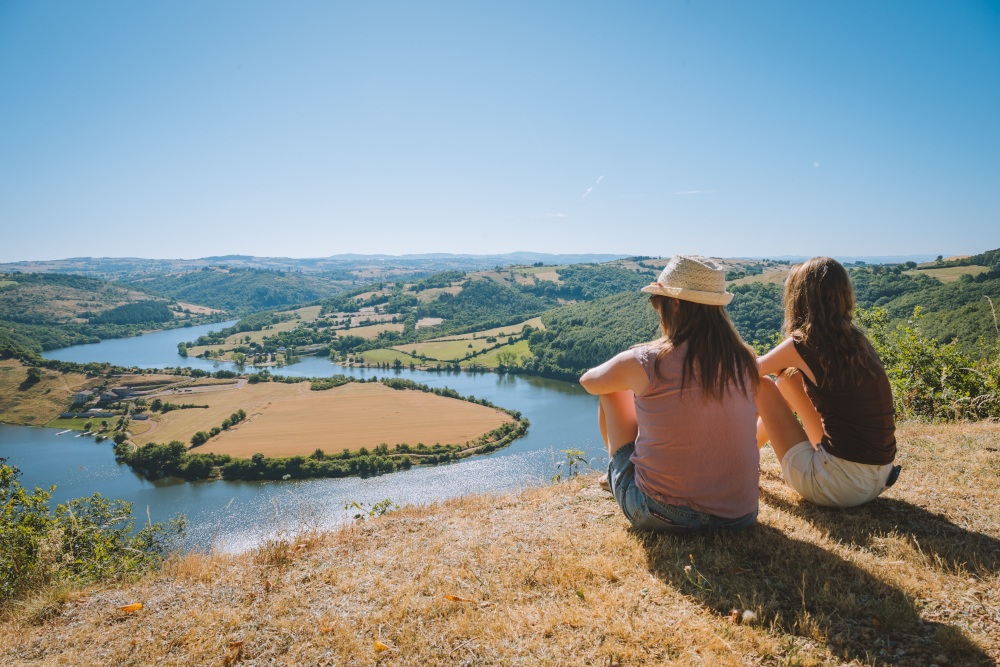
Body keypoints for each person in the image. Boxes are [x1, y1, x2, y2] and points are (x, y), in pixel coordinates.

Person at [579, 255, 761, 533]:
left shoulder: (647, 360)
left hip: (663, 514)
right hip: (741, 515)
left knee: (612, 391)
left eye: (656, 300)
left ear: (675, 303)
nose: (656, 308)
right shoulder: (745, 359)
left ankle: (614, 474)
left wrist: (634, 363)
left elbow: (589, 382)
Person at [755, 257, 899, 507]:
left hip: (837, 486)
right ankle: (749, 450)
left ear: (799, 298)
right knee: (789, 378)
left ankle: (739, 458)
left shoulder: (803, 342)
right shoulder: (857, 340)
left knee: (762, 385)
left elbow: (748, 371)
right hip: (877, 480)